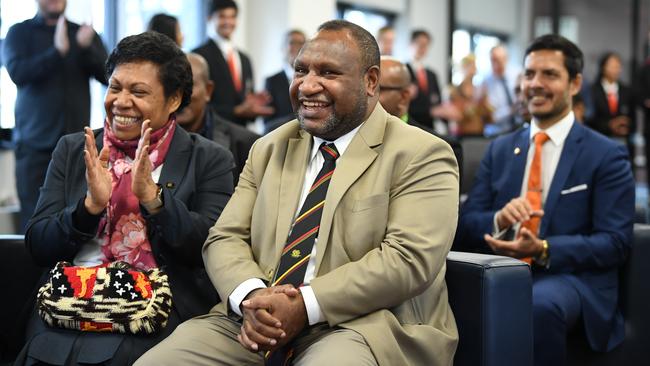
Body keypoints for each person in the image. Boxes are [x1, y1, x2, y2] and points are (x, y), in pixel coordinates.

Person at [136, 19, 459, 366]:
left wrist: (304, 306)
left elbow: (408, 261)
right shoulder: (269, 147)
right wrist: (252, 296)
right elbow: (224, 238)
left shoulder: (422, 153)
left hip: (365, 325)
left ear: (370, 81)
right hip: (254, 318)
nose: (307, 85)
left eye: (328, 73)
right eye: (300, 70)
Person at [15, 31, 235, 365]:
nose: (121, 101)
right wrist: (87, 209)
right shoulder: (75, 149)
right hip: (67, 303)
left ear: (174, 99)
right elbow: (38, 244)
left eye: (139, 91)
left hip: (154, 308)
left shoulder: (208, 159)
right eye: (115, 87)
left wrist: (155, 200)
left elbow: (207, 249)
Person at [456, 34, 634, 366]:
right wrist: (499, 220)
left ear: (575, 83)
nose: (535, 84)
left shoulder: (606, 155)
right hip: (501, 269)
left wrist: (543, 249)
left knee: (537, 305)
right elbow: (466, 223)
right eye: (529, 74)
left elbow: (614, 243)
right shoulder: (500, 149)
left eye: (549, 74)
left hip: (570, 276)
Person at [2, 0, 108, 232]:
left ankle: (69, 270)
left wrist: (84, 48)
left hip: (77, 148)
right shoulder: (19, 32)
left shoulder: (83, 34)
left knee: (77, 219)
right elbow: (17, 72)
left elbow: (108, 76)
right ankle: (32, 271)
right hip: (33, 147)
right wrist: (57, 52)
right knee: (33, 221)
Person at [379, 56, 463, 186]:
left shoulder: (441, 148)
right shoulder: (346, 139)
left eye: (378, 89)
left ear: (403, 97)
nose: (367, 95)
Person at [177, 52, 259, 186]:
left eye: (188, 85)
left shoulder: (247, 146)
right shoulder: (147, 141)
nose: (179, 95)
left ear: (208, 90)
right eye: (172, 86)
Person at [193, 0, 273, 126]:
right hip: (210, 132)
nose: (228, 22)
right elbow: (196, 104)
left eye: (232, 17)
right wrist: (235, 111)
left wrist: (253, 108)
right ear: (209, 18)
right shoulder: (198, 56)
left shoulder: (245, 59)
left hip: (240, 135)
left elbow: (246, 99)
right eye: (222, 16)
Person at [263, 29, 306, 133]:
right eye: (292, 42)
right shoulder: (272, 81)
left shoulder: (312, 79)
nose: (296, 47)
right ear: (283, 48)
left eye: (301, 43)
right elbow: (268, 120)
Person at [587, 52, 635, 142]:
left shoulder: (627, 91)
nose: (616, 70)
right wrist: (610, 125)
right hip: (599, 138)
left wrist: (625, 126)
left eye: (618, 66)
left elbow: (632, 117)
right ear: (603, 68)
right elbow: (589, 117)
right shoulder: (592, 90)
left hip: (622, 140)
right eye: (612, 66)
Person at [406, 29, 442, 131]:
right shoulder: (403, 70)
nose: (423, 48)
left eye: (426, 45)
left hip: (429, 128)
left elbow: (437, 101)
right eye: (420, 44)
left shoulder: (432, 75)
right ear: (411, 44)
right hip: (410, 126)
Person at [480, 44, 517, 135]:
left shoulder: (517, 75)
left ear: (507, 59)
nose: (498, 64)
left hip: (518, 129)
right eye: (494, 60)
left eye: (501, 59)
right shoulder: (485, 83)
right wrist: (511, 110)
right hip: (496, 133)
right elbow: (491, 118)